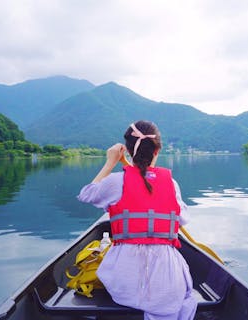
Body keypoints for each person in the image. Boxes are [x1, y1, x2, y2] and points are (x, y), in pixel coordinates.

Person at [77, 120, 197, 320]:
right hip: (167, 283)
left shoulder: (116, 181)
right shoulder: (171, 184)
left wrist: (111, 162)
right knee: (178, 292)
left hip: (124, 282)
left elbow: (86, 194)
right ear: (157, 150)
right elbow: (182, 219)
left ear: (129, 151)